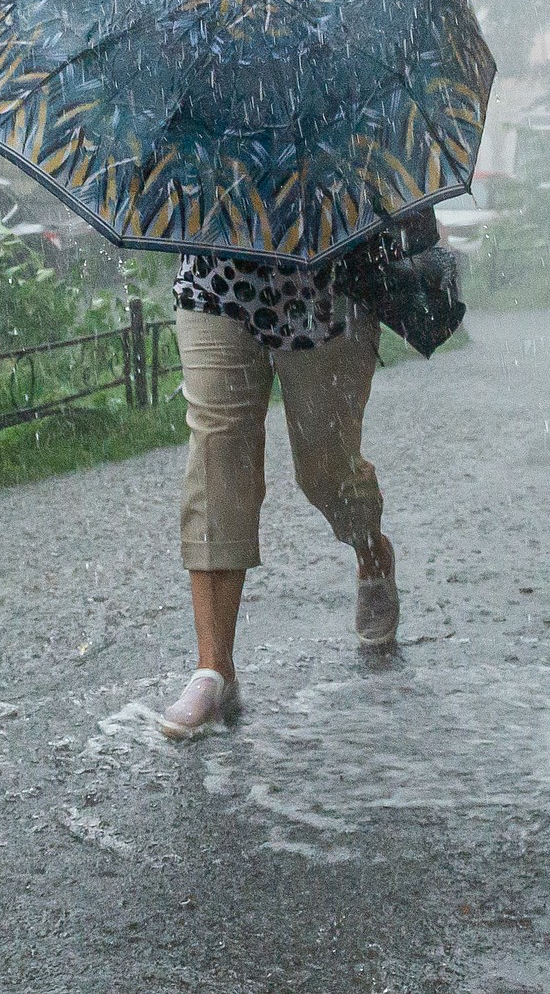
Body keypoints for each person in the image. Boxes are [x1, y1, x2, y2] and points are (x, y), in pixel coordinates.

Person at [158, 248, 398, 741]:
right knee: (217, 445)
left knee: (325, 467)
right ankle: (214, 668)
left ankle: (371, 550)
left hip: (326, 278)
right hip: (215, 273)